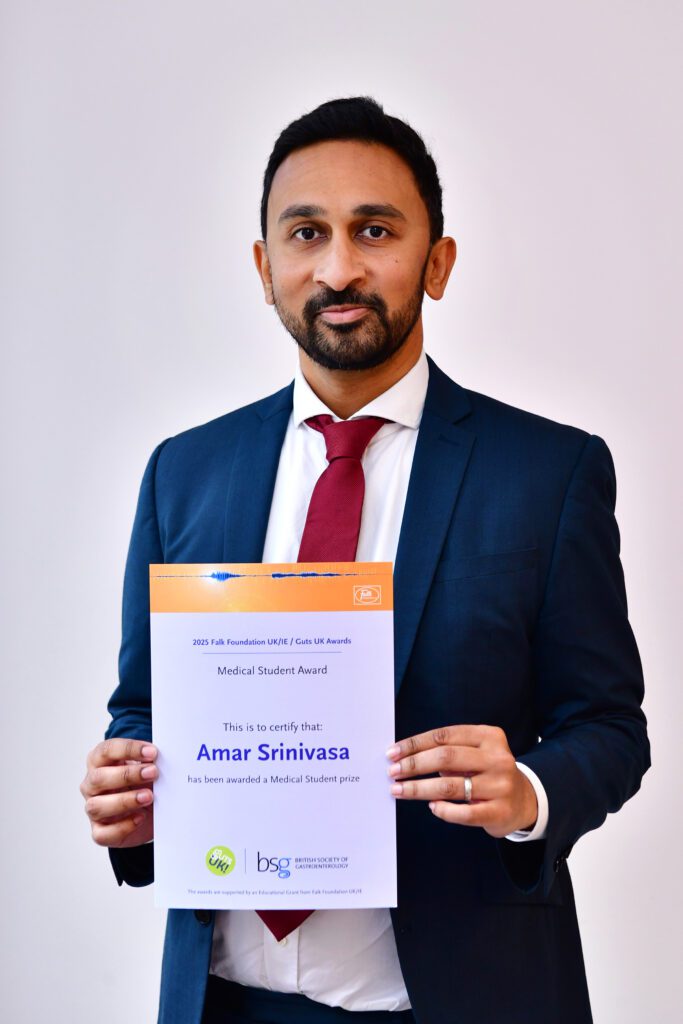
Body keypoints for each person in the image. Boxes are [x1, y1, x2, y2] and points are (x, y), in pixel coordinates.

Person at [80, 97, 650, 1024]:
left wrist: (528, 791)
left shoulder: (547, 473)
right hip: (223, 1000)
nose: (339, 267)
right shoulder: (183, 472)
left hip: (457, 999)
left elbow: (609, 728)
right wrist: (130, 793)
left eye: (373, 230)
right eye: (307, 233)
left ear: (437, 262)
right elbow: (144, 706)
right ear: (265, 270)